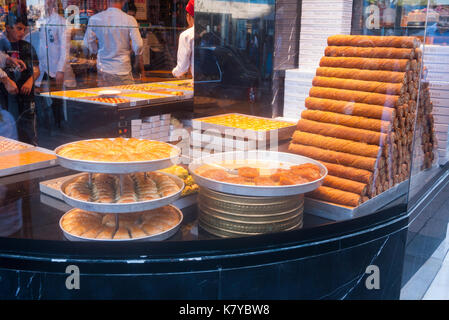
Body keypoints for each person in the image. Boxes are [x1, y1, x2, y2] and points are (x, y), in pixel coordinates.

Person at [32, 0, 75, 130]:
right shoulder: (40, 20)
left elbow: (64, 49)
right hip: (42, 66)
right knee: (41, 98)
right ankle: (46, 126)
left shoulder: (62, 22)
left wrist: (60, 70)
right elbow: (36, 39)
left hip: (55, 68)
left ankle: (60, 125)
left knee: (57, 99)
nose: (45, 3)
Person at [0, 12, 40, 145]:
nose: (22, 32)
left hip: (25, 97)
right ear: (8, 28)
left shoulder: (27, 46)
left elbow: (36, 69)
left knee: (28, 131)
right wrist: (6, 80)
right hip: (4, 98)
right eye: (18, 28)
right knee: (7, 133)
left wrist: (30, 81)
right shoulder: (2, 44)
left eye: (24, 29)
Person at [84, 0, 144, 87]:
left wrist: (97, 51)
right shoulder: (130, 20)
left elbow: (87, 42)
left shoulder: (95, 19)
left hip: (103, 68)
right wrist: (136, 53)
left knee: (106, 99)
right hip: (122, 68)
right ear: (123, 2)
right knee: (126, 98)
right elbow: (138, 45)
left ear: (107, 1)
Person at [172, 0, 194, 79]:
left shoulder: (186, 35)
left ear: (188, 16)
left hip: (200, 85)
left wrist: (175, 73)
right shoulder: (215, 33)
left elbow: (182, 68)